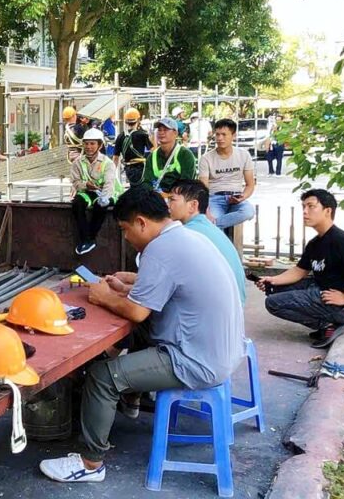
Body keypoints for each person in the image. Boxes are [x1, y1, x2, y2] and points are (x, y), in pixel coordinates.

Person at [39, 186, 243, 484]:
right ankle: (129, 398)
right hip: (221, 350)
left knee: (102, 376)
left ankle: (91, 463)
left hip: (195, 360)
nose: (125, 237)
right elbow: (166, 290)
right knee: (136, 333)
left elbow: (136, 312)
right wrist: (125, 289)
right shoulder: (185, 236)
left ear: (141, 222)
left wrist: (104, 297)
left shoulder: (160, 249)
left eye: (125, 229)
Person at [257, 189, 344, 348]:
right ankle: (327, 323)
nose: (305, 211)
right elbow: (299, 270)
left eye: (311, 206)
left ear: (328, 211)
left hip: (340, 305)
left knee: (273, 303)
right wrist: (272, 280)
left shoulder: (342, 240)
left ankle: (328, 325)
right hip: (320, 290)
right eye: (303, 207)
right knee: (273, 289)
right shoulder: (315, 243)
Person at [167, 180, 247, 306]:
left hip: (219, 307)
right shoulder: (209, 228)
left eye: (172, 200)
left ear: (193, 205)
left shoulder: (188, 233)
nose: (168, 205)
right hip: (235, 306)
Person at [199, 118, 256, 230]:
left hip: (236, 197)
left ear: (233, 136)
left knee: (248, 212)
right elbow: (203, 188)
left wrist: (243, 197)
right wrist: (206, 208)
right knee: (211, 218)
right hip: (214, 198)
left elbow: (250, 184)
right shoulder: (206, 158)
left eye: (224, 134)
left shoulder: (244, 155)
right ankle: (214, 226)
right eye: (217, 134)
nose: (220, 138)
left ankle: (214, 225)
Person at [71, 129, 120, 256]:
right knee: (77, 203)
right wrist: (86, 185)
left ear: (100, 145)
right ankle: (84, 239)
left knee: (100, 206)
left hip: (108, 193)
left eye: (92, 143)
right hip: (88, 191)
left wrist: (104, 198)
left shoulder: (107, 163)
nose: (89, 147)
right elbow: (75, 182)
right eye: (86, 143)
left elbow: (109, 184)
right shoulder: (77, 163)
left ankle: (90, 238)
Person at [141, 117, 197, 193]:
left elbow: (187, 184)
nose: (161, 133)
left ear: (175, 133)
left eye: (165, 130)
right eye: (159, 130)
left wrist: (170, 196)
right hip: (157, 197)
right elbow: (146, 182)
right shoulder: (152, 157)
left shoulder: (185, 155)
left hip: (180, 197)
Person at [113, 108, 151, 186]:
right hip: (141, 167)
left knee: (133, 186)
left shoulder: (120, 136)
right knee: (141, 187)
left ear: (125, 122)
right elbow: (153, 150)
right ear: (138, 120)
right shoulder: (143, 135)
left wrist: (112, 173)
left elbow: (116, 157)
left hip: (128, 168)